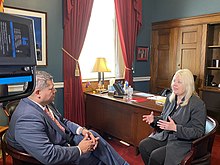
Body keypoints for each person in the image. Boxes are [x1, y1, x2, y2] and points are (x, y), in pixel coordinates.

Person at [6, 70, 129, 165]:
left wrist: (81, 130)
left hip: (65, 139)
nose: (55, 91)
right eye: (51, 89)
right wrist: (79, 149)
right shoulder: (27, 118)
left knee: (92, 135)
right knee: (96, 157)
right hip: (57, 151)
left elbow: (62, 121)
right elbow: (48, 155)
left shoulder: (45, 103)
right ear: (37, 93)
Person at [139, 69, 207, 165]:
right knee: (143, 146)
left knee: (155, 156)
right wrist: (154, 120)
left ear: (188, 85)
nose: (174, 84)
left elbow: (198, 132)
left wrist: (175, 128)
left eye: (179, 82)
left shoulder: (197, 104)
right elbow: (164, 118)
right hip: (165, 136)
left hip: (182, 142)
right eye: (174, 80)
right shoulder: (170, 98)